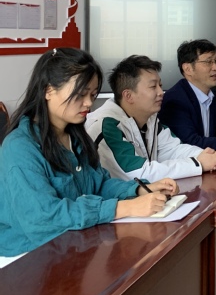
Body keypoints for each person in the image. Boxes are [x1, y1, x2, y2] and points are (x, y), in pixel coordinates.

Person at [0, 48, 178, 257]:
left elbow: (99, 184)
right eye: (80, 94)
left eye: (92, 95)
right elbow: (43, 219)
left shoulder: (75, 136)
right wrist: (124, 208)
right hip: (27, 255)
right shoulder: (20, 147)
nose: (88, 103)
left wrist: (139, 190)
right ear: (48, 90)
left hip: (74, 243)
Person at [86, 55, 216, 181]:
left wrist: (203, 155)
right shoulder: (105, 125)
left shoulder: (150, 119)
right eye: (153, 87)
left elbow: (173, 149)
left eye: (160, 85)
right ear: (128, 95)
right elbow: (138, 173)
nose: (161, 92)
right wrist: (198, 163)